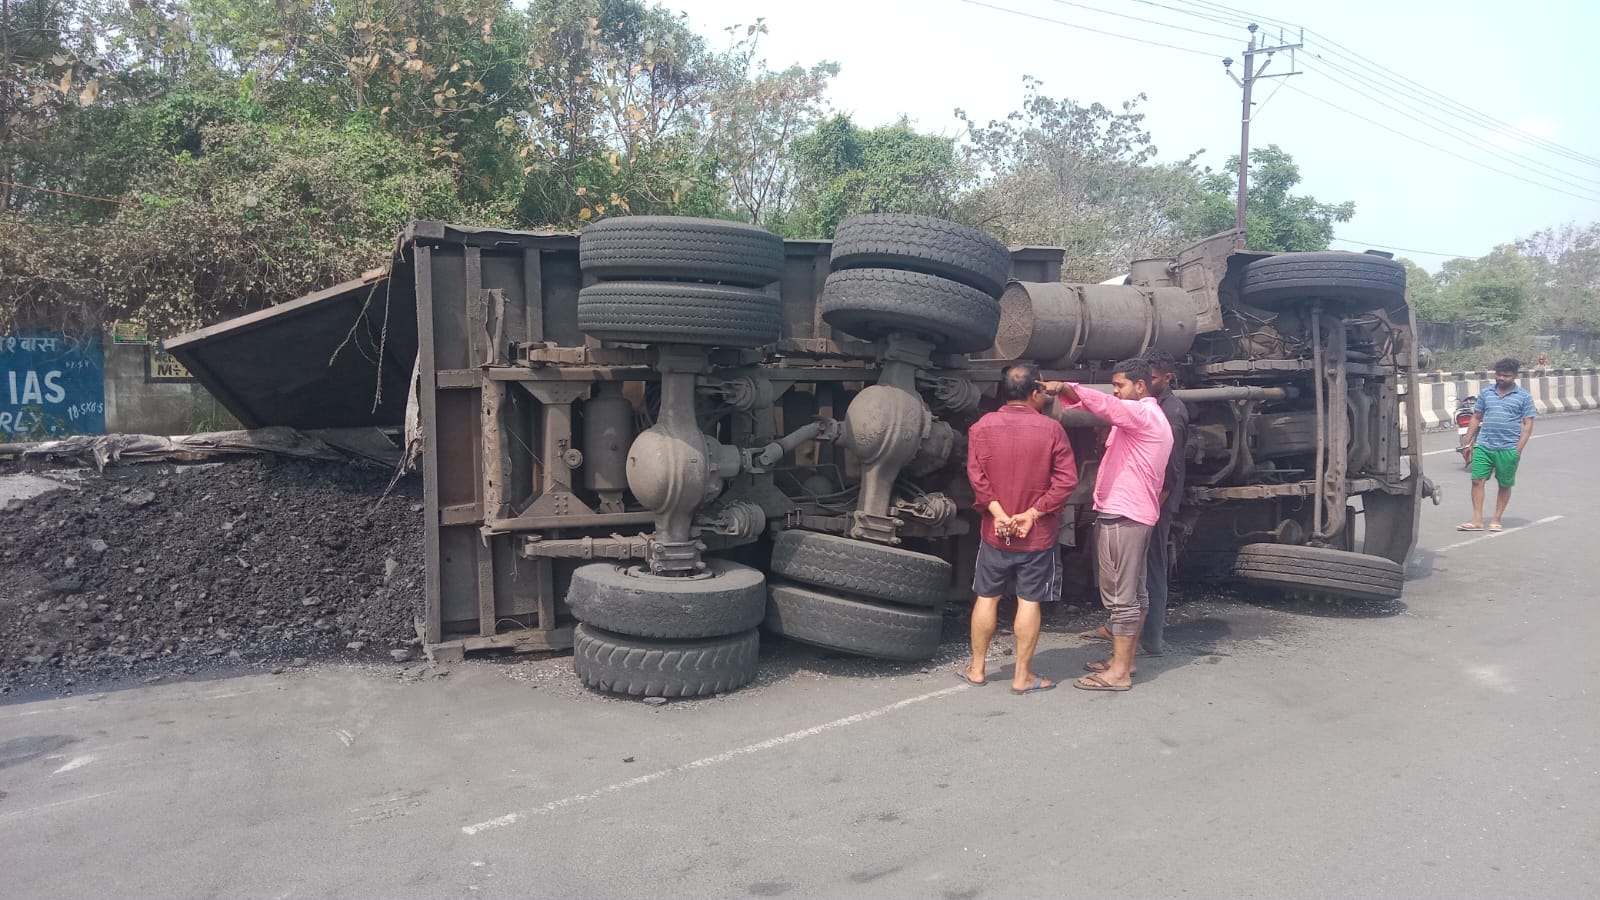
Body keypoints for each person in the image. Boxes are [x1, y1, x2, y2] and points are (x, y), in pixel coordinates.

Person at [1046, 358, 1173, 692]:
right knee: (1136, 595)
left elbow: (1106, 406)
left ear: (1141, 386)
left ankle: (1118, 673)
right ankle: (1125, 661)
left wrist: (1066, 388)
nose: (1115, 392)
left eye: (1120, 385)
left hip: (1123, 516)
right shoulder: (1148, 417)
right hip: (1135, 515)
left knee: (1121, 598)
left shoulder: (1142, 414)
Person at [960, 363, 1078, 695]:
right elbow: (1066, 480)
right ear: (1035, 392)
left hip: (995, 531)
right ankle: (1022, 676)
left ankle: (978, 668)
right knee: (1029, 602)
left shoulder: (982, 427)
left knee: (986, 596)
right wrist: (1032, 514)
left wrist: (998, 513)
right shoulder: (1052, 430)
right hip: (1037, 535)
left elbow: (977, 477)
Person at [1076, 350, 1188, 655]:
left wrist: (1151, 509)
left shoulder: (1170, 413)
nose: (1148, 383)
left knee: (1146, 573)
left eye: (1152, 379)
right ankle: (1125, 641)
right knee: (1132, 581)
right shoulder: (1146, 408)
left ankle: (1149, 641)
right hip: (1142, 506)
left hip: (1147, 507)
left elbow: (1171, 471)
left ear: (1165, 379)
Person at [1457, 357, 1536, 532]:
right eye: (1499, 375)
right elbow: (1476, 417)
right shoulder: (1486, 393)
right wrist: (1467, 442)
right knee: (1477, 480)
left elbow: (1527, 426)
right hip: (1484, 445)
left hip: (1508, 448)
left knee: (1504, 484)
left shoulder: (1523, 397)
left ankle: (1496, 519)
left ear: (1515, 376)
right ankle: (1477, 520)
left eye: (1506, 376)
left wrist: (1517, 450)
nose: (1501, 378)